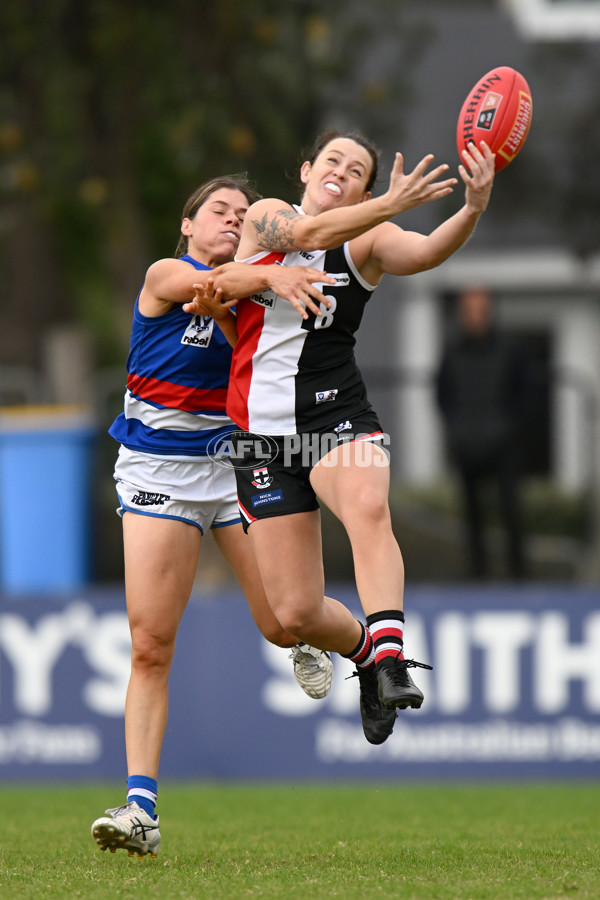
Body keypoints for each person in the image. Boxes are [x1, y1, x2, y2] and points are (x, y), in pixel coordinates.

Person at [184, 130, 495, 751]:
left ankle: (391, 654)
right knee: (293, 615)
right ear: (307, 169)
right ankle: (366, 656)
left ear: (365, 188)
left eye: (357, 171)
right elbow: (306, 239)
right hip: (261, 435)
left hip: (335, 414)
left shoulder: (370, 238)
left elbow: (429, 251)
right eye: (333, 161)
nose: (341, 173)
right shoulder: (273, 214)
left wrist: (472, 208)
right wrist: (389, 203)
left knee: (368, 507)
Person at [90, 174, 339, 860]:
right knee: (150, 644)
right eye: (218, 212)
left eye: (240, 215)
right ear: (188, 223)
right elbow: (194, 285)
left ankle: (358, 649)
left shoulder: (250, 293)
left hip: (231, 467)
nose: (231, 221)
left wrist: (259, 291)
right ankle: (142, 809)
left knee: (283, 621)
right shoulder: (168, 272)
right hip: (155, 473)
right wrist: (261, 281)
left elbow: (258, 321)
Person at [435, 286, 532, 580]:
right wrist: (457, 428)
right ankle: (477, 577)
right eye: (470, 309)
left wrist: (509, 428)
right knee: (472, 514)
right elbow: (442, 394)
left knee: (511, 510)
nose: (475, 315)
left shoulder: (510, 349)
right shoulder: (452, 351)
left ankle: (519, 577)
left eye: (481, 308)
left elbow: (526, 393)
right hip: (467, 445)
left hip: (503, 445)